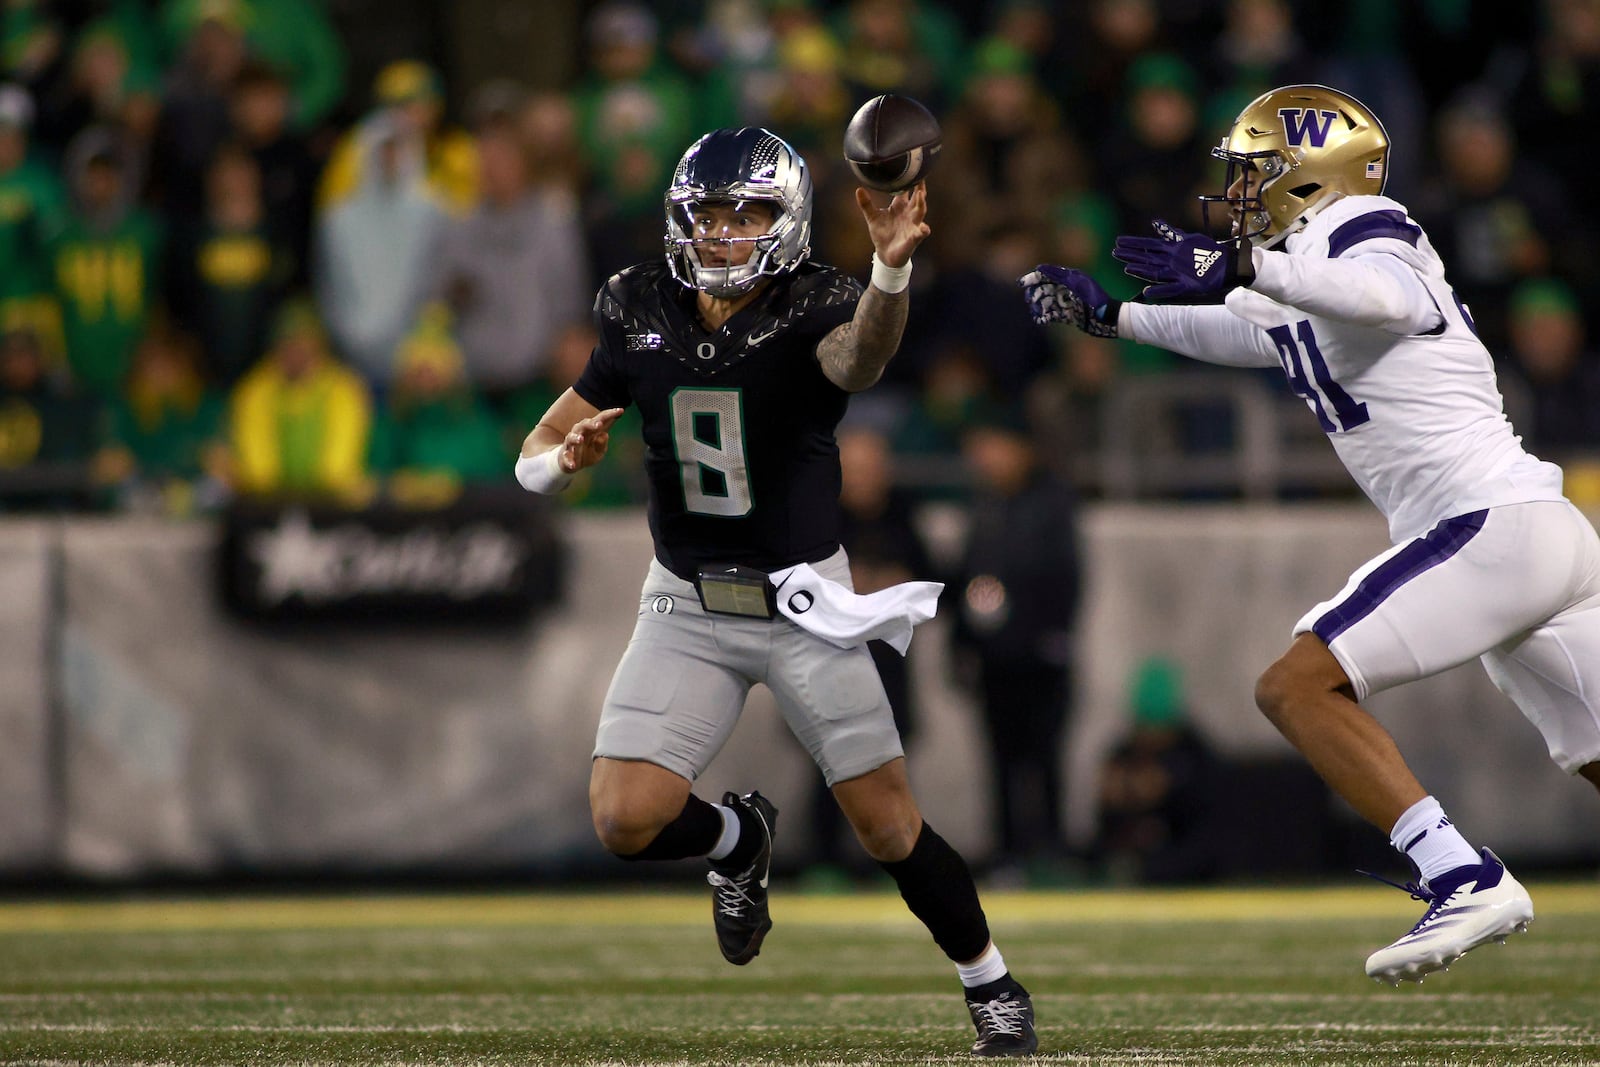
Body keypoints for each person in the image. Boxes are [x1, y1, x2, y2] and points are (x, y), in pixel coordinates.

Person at [1023, 83, 1600, 986]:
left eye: (1257, 171)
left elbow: (1390, 298)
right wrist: (1115, 317)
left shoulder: (1366, 226)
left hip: (1484, 521)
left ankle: (1461, 872)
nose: (1240, 191)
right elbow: (1250, 332)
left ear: (1311, 175)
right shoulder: (1305, 267)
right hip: (1536, 533)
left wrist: (1254, 269)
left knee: (1297, 686)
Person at [515, 126, 1037, 1057]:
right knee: (624, 816)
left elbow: (859, 362)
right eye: (709, 215)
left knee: (886, 826)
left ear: (786, 220)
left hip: (802, 604)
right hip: (684, 600)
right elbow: (535, 456)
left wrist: (888, 275)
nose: (722, 234)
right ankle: (735, 842)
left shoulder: (819, 301)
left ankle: (989, 978)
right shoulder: (637, 302)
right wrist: (565, 460)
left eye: (747, 213)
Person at [949, 400, 1081, 881]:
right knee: (999, 761)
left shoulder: (1051, 503)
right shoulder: (982, 507)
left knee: (1044, 757)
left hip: (1039, 657)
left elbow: (1065, 578)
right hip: (994, 660)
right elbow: (967, 579)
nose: (985, 458)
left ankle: (1050, 850)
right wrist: (962, 648)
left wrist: (1051, 638)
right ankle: (1008, 854)